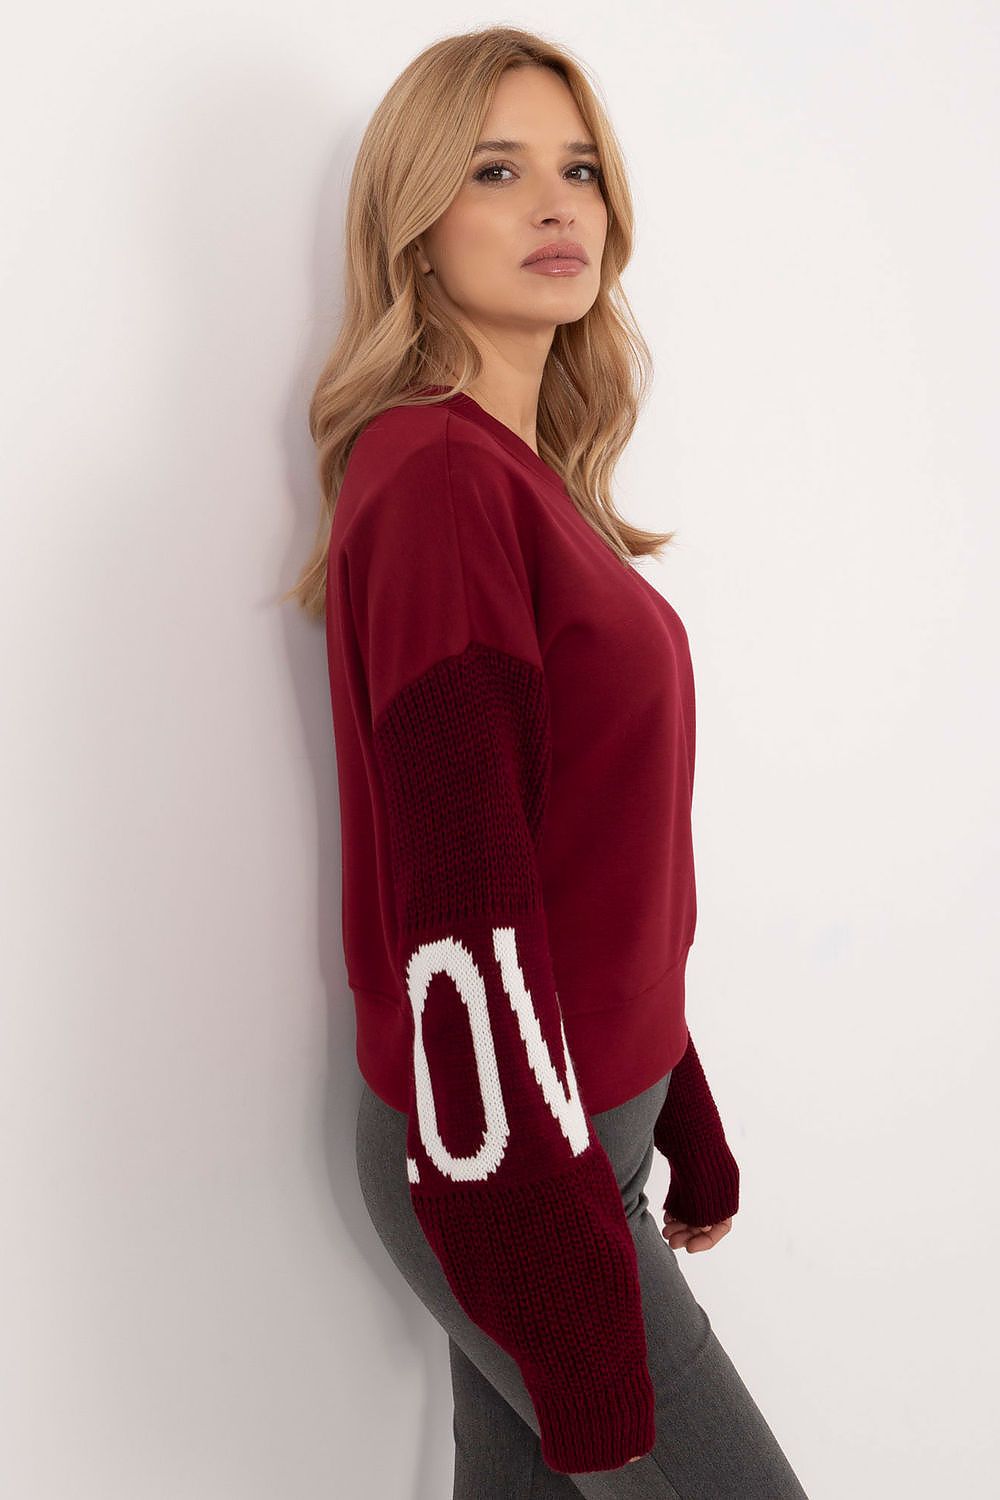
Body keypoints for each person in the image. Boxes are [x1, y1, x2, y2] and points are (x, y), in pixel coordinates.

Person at [285, 24, 810, 1498]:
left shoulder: (528, 483)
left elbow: (583, 846)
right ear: (414, 220)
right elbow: (468, 902)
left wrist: (675, 1098)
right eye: (495, 171)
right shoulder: (439, 478)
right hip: (504, 1152)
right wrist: (553, 1259)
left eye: (578, 170)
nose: (554, 205)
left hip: (566, 1132)